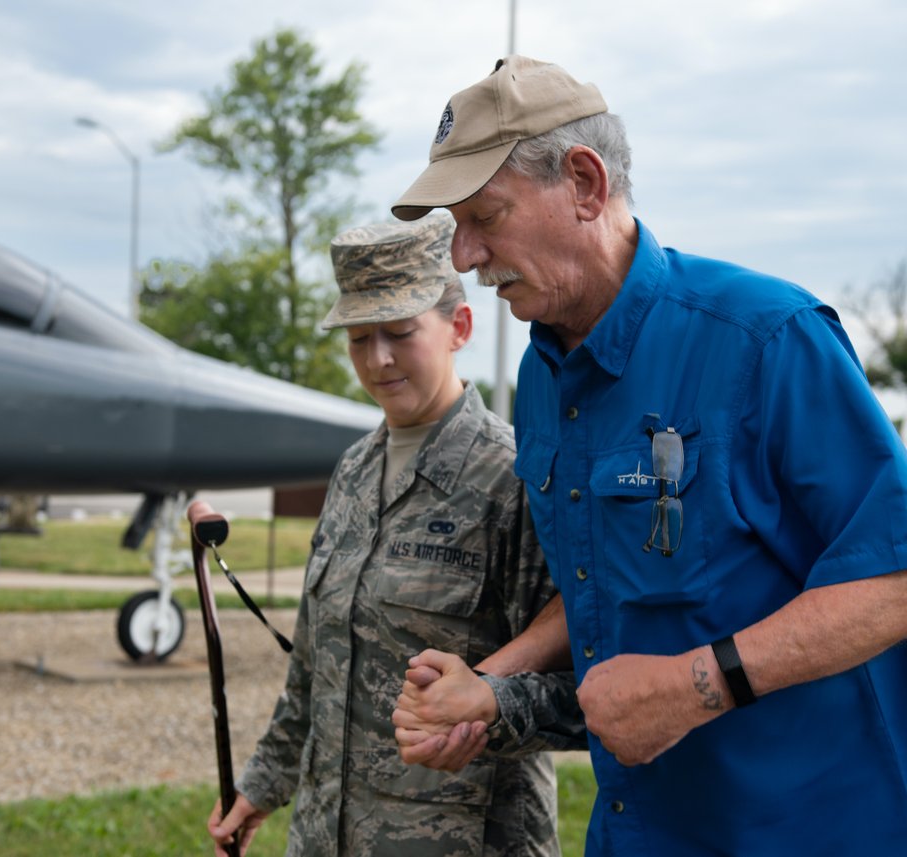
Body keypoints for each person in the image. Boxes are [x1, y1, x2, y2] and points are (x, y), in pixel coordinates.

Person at [386, 55, 907, 855]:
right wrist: (491, 680)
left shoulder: (765, 338)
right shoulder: (542, 369)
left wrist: (702, 682)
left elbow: (892, 578)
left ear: (586, 185)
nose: (462, 256)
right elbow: (603, 575)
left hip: (804, 824)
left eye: (484, 216)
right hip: (642, 828)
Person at [206, 215, 584, 857]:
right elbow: (313, 664)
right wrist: (262, 785)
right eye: (359, 338)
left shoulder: (517, 479)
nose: (378, 359)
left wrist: (489, 707)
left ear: (458, 328)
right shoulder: (353, 470)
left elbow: (585, 683)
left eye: (401, 333)